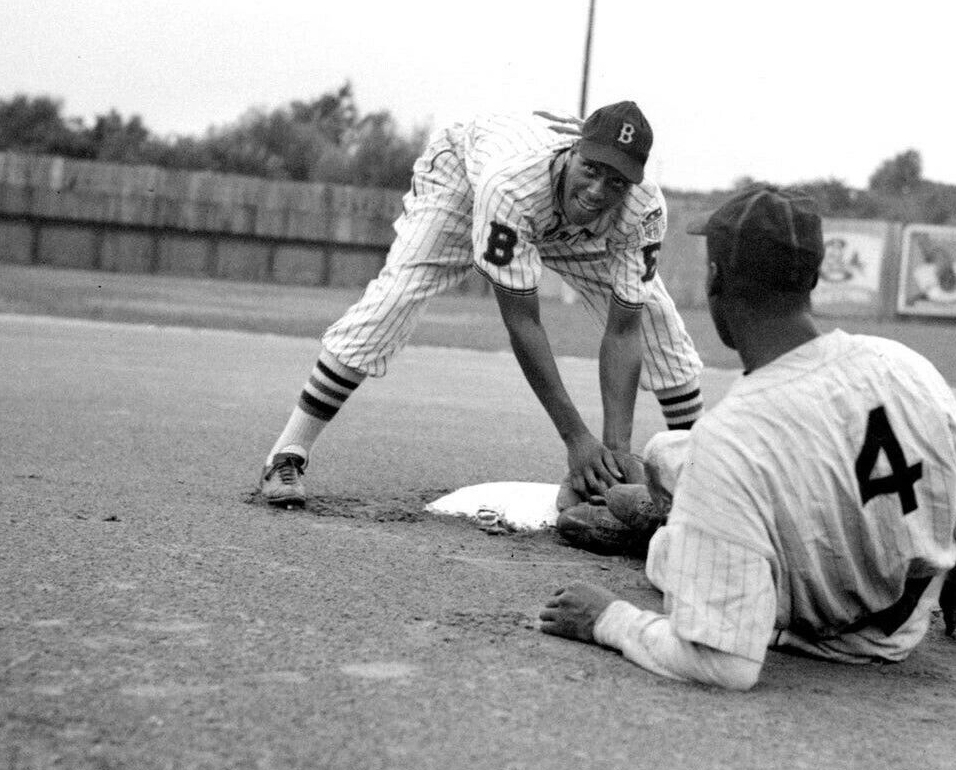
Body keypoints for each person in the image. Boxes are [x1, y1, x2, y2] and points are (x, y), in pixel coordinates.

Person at [540, 187, 956, 690]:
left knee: (675, 526)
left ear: (715, 279)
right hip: (901, 623)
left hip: (819, 633)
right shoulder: (904, 365)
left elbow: (722, 661)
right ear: (813, 277)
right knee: (665, 453)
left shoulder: (735, 435)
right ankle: (674, 509)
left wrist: (608, 618)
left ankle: (663, 529)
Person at [259, 101, 704, 508]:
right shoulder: (511, 185)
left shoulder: (642, 208)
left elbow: (624, 330)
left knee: (656, 320)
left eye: (617, 181)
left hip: (567, 224)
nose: (598, 189)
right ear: (573, 151)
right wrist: (577, 440)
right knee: (394, 300)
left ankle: (698, 481)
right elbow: (524, 324)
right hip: (465, 182)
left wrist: (615, 454)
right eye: (591, 169)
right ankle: (287, 453)